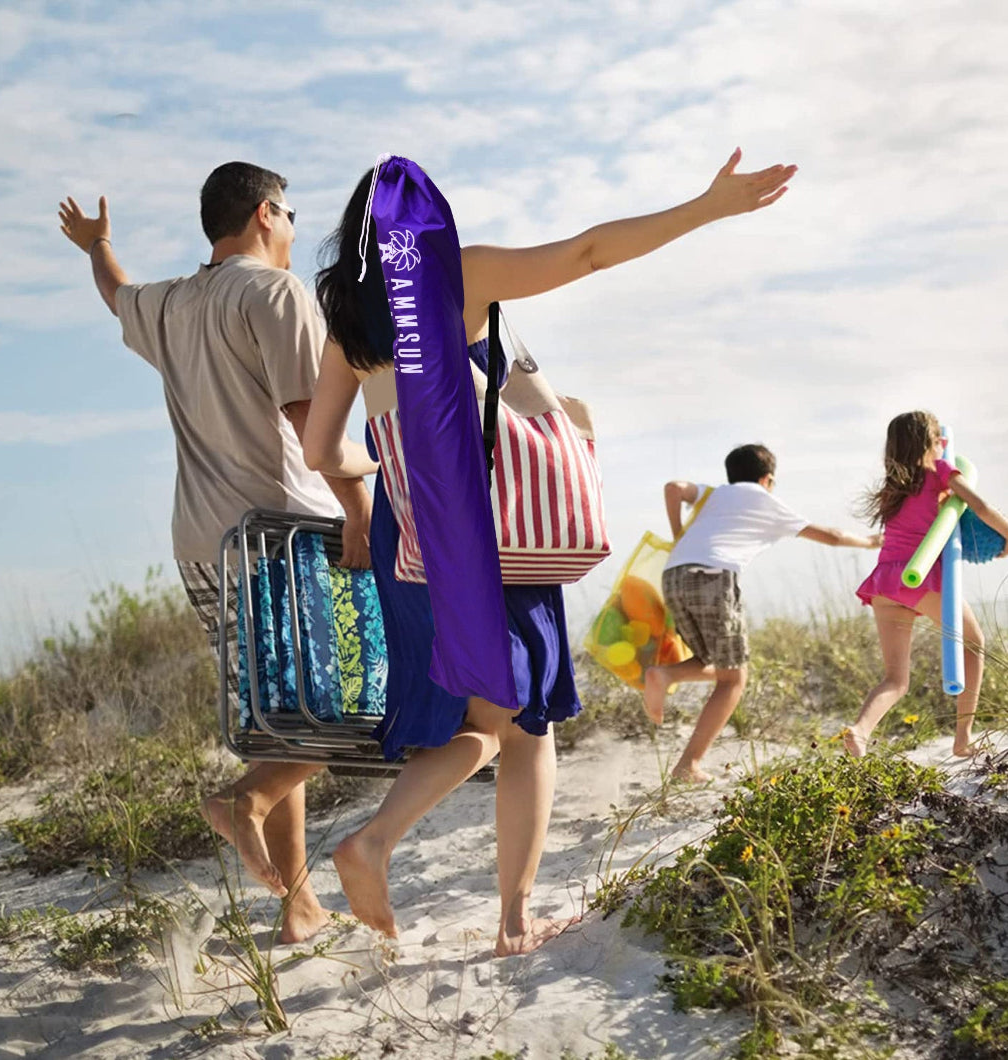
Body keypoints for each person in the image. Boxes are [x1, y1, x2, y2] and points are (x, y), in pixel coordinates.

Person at [303, 149, 798, 954]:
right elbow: (588, 252)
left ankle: (379, 842)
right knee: (527, 728)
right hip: (492, 536)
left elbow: (324, 450)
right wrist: (706, 208)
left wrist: (392, 458)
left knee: (481, 724)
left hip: (416, 544)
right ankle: (505, 918)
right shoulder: (457, 274)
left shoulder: (350, 325)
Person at [58, 162, 375, 943]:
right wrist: (364, 514)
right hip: (285, 533)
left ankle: (297, 903)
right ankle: (247, 802)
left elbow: (114, 293)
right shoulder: (274, 294)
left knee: (282, 720)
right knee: (363, 701)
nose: (297, 230)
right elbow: (317, 431)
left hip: (205, 544)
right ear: (266, 213)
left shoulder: (167, 302)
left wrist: (97, 246)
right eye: (292, 214)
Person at [643, 443, 881, 781]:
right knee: (734, 679)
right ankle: (687, 764)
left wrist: (679, 534)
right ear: (767, 479)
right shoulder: (764, 500)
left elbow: (673, 488)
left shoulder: (715, 494)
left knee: (713, 660)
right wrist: (870, 542)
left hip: (674, 575)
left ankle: (667, 676)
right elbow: (831, 536)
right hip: (715, 576)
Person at [845, 410, 1008, 758]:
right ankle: (963, 737)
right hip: (919, 578)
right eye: (939, 440)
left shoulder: (894, 486)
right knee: (974, 644)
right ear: (932, 444)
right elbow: (980, 506)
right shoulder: (940, 472)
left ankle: (859, 731)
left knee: (896, 680)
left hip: (885, 583)